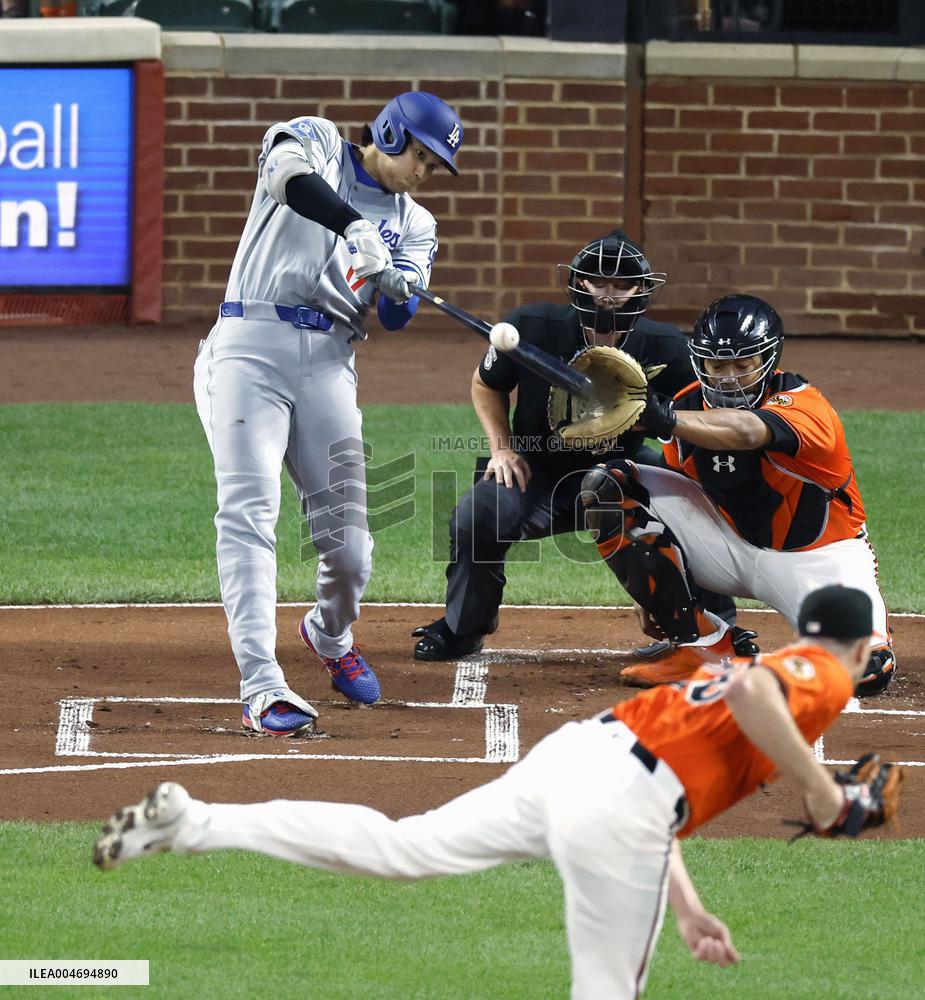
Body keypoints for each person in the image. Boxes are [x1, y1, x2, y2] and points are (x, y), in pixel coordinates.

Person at [94, 585, 893, 999]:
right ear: (858, 645)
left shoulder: (778, 667)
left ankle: (196, 822)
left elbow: (658, 785)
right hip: (619, 799)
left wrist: (683, 907)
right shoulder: (822, 669)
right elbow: (755, 698)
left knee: (401, 847)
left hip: (581, 764)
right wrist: (827, 800)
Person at [193, 91, 463, 736]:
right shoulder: (315, 140)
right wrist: (355, 227)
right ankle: (261, 685)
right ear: (392, 134)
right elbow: (290, 183)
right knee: (249, 513)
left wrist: (398, 283)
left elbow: (397, 318)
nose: (423, 172)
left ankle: (330, 635)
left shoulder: (416, 223)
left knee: (350, 545)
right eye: (420, 156)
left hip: (329, 363)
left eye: (434, 165)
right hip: (247, 347)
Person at [413, 229, 717, 660]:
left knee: (693, 507)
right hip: (536, 469)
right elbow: (486, 384)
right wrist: (502, 449)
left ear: (641, 290)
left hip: (621, 471)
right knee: (477, 514)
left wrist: (666, 430)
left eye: (621, 284)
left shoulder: (668, 346)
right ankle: (465, 627)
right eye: (598, 282)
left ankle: (700, 630)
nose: (608, 295)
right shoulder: (531, 327)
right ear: (577, 282)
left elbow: (699, 422)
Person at [581, 293, 896, 695]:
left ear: (768, 361)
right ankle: (706, 646)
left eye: (742, 365)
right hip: (731, 547)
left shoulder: (806, 406)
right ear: (700, 361)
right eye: (717, 365)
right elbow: (678, 504)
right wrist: (651, 589)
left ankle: (801, 654)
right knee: (609, 486)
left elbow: (746, 431)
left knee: (866, 673)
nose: (727, 377)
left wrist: (666, 419)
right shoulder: (687, 405)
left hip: (820, 559)